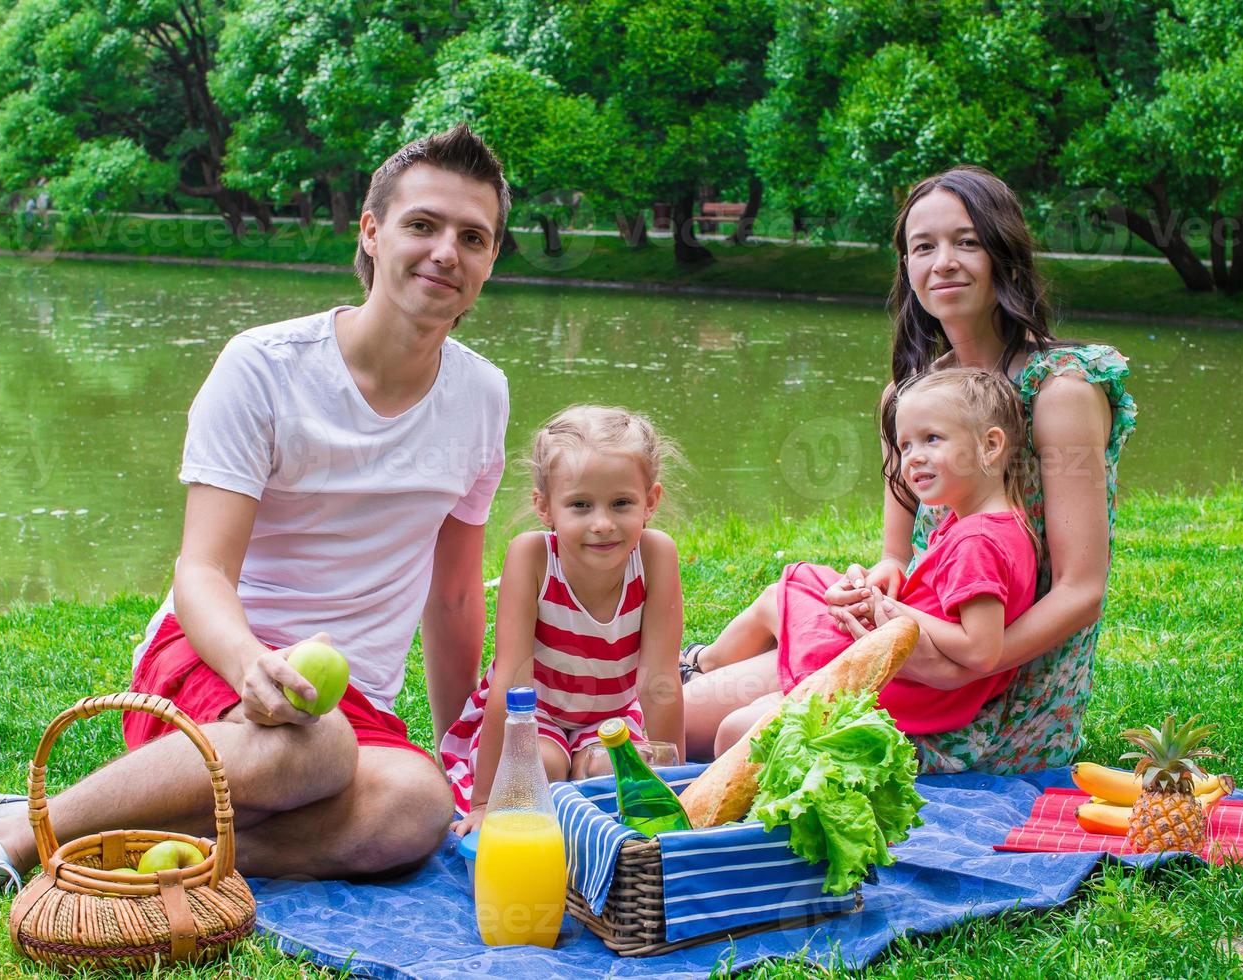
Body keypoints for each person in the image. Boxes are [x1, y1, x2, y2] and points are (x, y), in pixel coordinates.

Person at [0, 124, 512, 914]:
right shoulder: (264, 367)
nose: (445, 253)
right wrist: (251, 661)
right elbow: (202, 570)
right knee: (316, 749)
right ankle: (3, 840)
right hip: (213, 661)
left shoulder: (482, 397)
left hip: (350, 710)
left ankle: (132, 854)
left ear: (491, 260)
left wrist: (460, 764)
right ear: (372, 231)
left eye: (473, 237)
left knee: (415, 806)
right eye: (422, 225)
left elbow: (455, 596)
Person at [682, 165, 1136, 774]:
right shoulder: (910, 399)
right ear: (908, 271)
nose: (943, 261)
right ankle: (696, 671)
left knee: (736, 732)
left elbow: (1081, 591)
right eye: (923, 247)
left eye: (966, 241)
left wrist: (959, 662)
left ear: (1005, 253)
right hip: (909, 647)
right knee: (673, 721)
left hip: (999, 693)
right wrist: (871, 592)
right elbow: (899, 558)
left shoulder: (1060, 390)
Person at [691, 369, 1039, 755]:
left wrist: (889, 609)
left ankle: (699, 667)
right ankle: (703, 666)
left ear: (990, 446)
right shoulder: (990, 524)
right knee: (798, 591)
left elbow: (981, 650)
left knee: (738, 725)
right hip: (907, 673)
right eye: (905, 446)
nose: (913, 458)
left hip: (901, 688)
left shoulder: (978, 541)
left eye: (932, 439)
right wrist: (882, 592)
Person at [442, 405, 685, 835]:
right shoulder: (532, 557)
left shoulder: (655, 556)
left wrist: (677, 789)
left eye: (621, 503)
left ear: (650, 501)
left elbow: (659, 681)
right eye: (580, 505)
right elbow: (511, 683)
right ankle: (545, 776)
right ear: (545, 507)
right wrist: (485, 802)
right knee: (541, 773)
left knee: (609, 775)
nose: (603, 523)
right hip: (531, 716)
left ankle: (586, 772)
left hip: (609, 717)